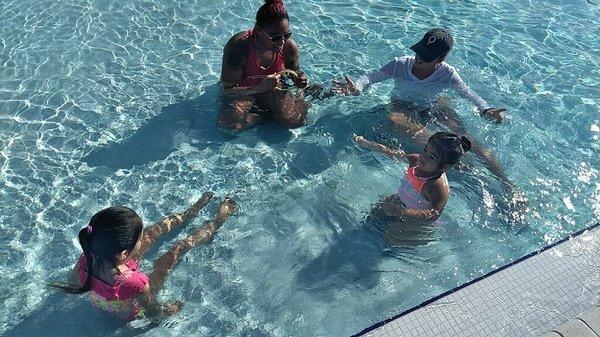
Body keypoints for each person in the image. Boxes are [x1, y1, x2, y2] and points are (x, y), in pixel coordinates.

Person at [333, 28, 512, 187]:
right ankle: (467, 169)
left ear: (441, 59)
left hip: (434, 105)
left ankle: (507, 183)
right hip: (402, 105)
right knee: (396, 119)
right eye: (419, 51)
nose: (419, 57)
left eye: (426, 56)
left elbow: (468, 93)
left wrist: (486, 110)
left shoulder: (448, 73)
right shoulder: (400, 64)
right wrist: (357, 87)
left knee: (467, 140)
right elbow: (372, 77)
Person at [48, 192, 236, 320]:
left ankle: (192, 211)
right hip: (127, 306)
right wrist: (165, 313)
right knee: (175, 251)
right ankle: (220, 218)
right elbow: (151, 309)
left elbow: (72, 281)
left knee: (151, 233)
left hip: (108, 291)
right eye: (136, 239)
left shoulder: (87, 257)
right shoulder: (135, 283)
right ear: (124, 254)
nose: (140, 239)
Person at [354, 132, 471, 241]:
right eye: (425, 150)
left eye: (431, 157)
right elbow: (392, 153)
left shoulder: (437, 186)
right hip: (401, 202)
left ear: (444, 167)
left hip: (418, 222)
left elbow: (433, 214)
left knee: (392, 236)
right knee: (376, 211)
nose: (424, 157)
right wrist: (367, 143)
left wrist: (403, 212)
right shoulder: (414, 160)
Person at [219, 0, 309, 131]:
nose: (282, 42)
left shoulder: (290, 48)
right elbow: (227, 88)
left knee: (297, 121)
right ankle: (262, 117)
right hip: (245, 93)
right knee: (229, 126)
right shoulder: (238, 48)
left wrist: (300, 81)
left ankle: (270, 113)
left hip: (274, 92)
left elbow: (296, 72)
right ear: (259, 31)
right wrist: (258, 88)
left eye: (287, 35)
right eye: (275, 37)